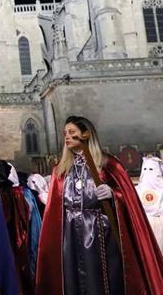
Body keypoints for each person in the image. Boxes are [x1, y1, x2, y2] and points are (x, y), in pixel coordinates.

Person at [36, 116, 163, 295]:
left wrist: (114, 195)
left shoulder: (108, 165)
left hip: (100, 232)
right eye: (65, 133)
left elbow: (129, 202)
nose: (67, 137)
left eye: (72, 133)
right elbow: (55, 209)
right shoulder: (61, 169)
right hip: (70, 233)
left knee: (102, 281)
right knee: (73, 279)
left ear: (86, 134)